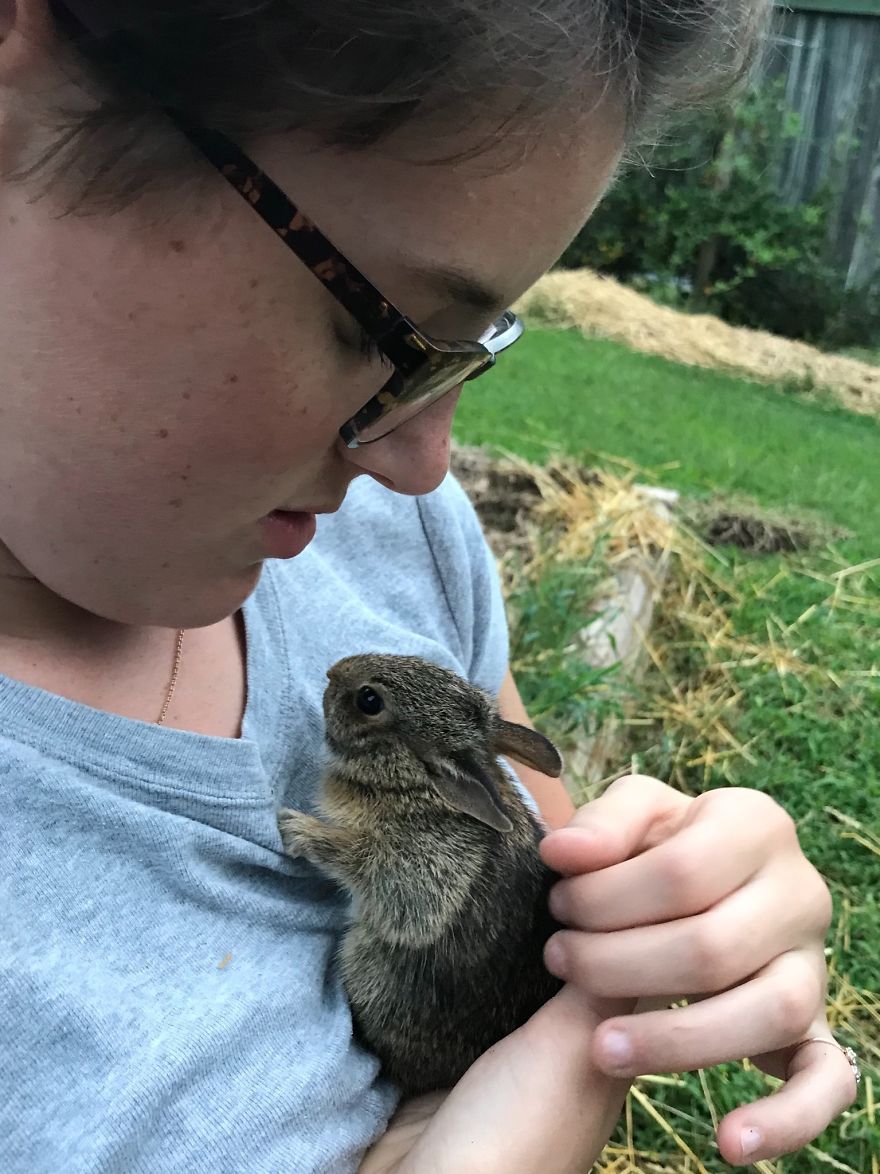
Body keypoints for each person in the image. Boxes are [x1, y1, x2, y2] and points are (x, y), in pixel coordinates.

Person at [0, 0, 858, 1170]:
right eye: (380, 331)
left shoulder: (396, 548)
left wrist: (671, 914)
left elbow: (527, 870)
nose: (421, 461)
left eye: (474, 345)